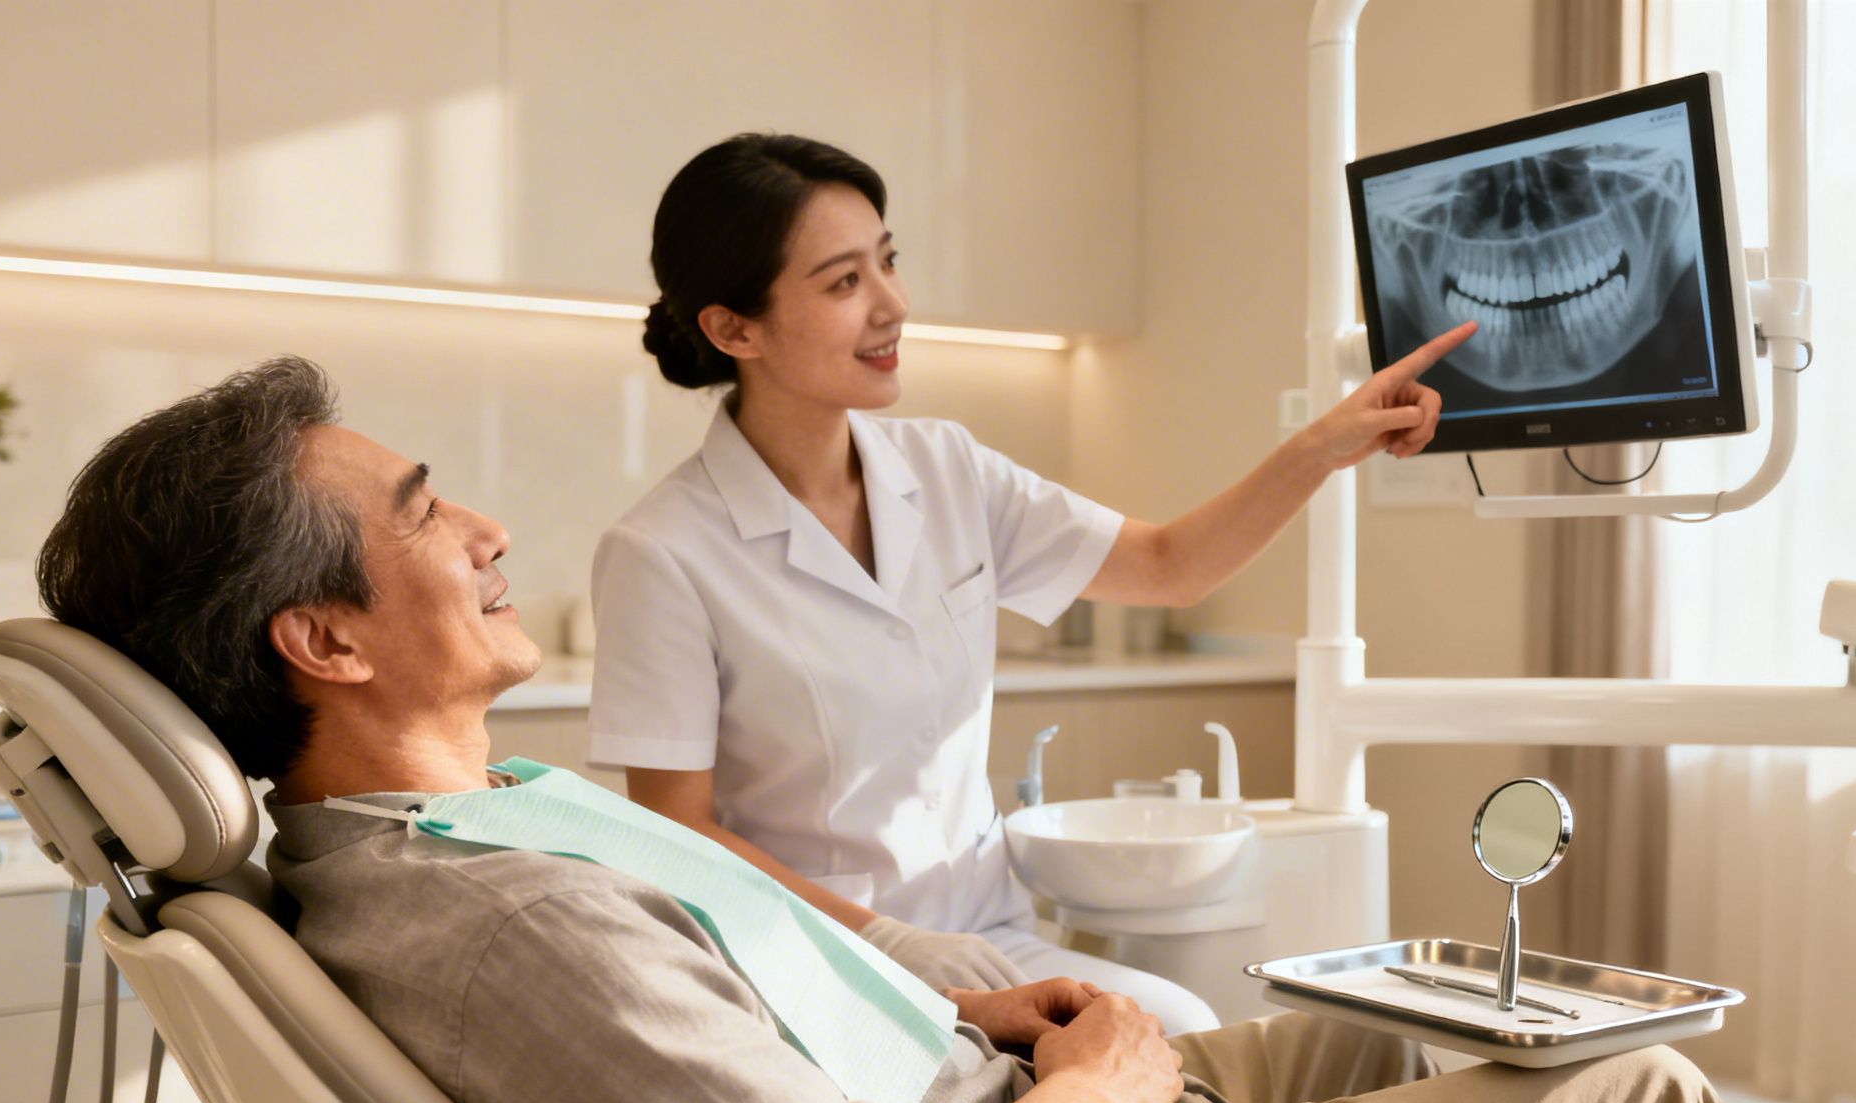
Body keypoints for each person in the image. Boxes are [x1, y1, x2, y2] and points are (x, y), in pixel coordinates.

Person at [36, 357, 1753, 1103]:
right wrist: (1090, 1096)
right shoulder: (492, 927)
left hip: (985, 1058)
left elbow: (744, 920)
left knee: (1475, 1035)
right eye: (423, 513)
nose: (484, 527)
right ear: (322, 642)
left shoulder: (506, 810)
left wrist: (975, 1002)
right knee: (1643, 1093)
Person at [589, 133, 1477, 1033]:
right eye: (844, 282)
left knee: (1193, 1033)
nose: (894, 305)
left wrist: (1322, 448)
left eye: (888, 263)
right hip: (814, 970)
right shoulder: (662, 552)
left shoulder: (947, 469)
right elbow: (677, 833)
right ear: (733, 327)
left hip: (988, 942)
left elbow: (1169, 567)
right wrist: (888, 941)